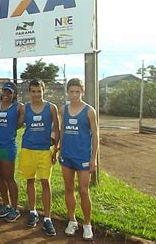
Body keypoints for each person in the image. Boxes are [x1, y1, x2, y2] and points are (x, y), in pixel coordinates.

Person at [18, 78, 60, 236]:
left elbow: (57, 129)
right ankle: (33, 211)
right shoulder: (25, 108)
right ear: (29, 92)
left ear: (44, 91)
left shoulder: (51, 108)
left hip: (44, 150)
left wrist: (55, 151)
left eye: (39, 91)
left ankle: (47, 218)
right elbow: (18, 123)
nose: (36, 94)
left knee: (45, 182)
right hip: (28, 149)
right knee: (30, 180)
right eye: (33, 91)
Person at [59, 78, 98, 241]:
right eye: (71, 91)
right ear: (67, 92)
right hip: (66, 156)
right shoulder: (63, 110)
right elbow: (61, 132)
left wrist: (93, 158)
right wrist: (58, 149)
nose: (74, 95)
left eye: (78, 91)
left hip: (82, 156)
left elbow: (95, 136)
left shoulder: (89, 111)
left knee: (83, 190)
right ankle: (72, 220)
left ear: (83, 92)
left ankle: (87, 225)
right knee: (69, 189)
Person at [0, 82, 24, 223]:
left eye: (9, 92)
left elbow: (19, 124)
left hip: (7, 147)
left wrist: (9, 132)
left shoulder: (18, 107)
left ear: (14, 94)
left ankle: (14, 208)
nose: (6, 94)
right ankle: (6, 204)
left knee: (9, 177)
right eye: (4, 91)